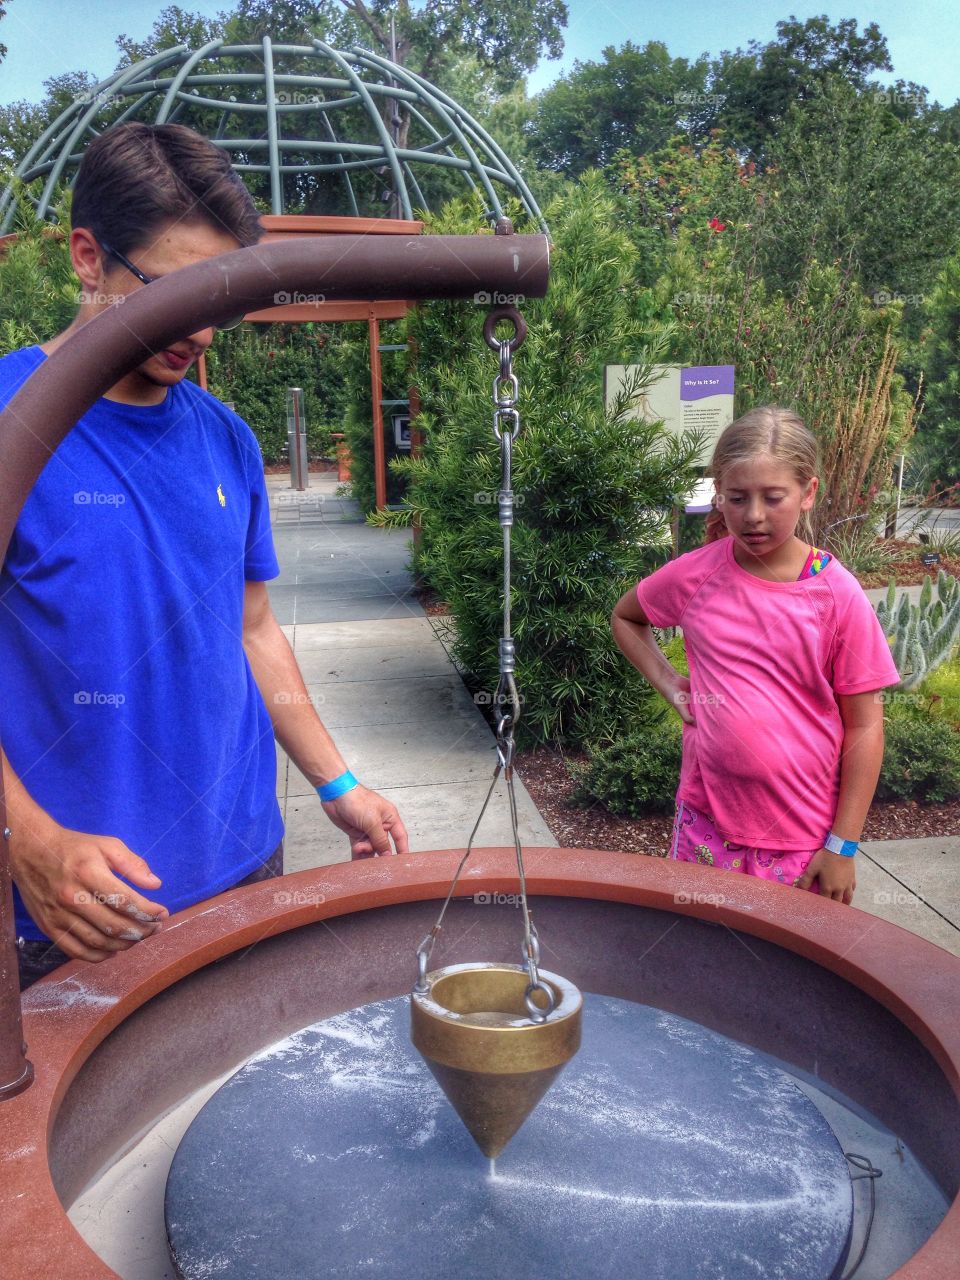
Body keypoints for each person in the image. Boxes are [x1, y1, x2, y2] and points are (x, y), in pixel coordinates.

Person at [0, 123, 409, 989]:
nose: (204, 332)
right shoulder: (8, 424)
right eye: (172, 293)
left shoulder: (225, 438)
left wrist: (339, 786)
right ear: (87, 257)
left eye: (222, 301)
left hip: (247, 870)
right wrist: (25, 840)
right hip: (70, 910)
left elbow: (254, 630)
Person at [611, 406, 901, 904]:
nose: (754, 515)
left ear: (808, 493)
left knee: (789, 969)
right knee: (704, 953)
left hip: (804, 839)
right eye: (738, 498)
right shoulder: (695, 574)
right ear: (718, 495)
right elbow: (627, 618)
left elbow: (865, 726)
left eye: (773, 497)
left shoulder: (836, 594)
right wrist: (670, 684)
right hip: (706, 823)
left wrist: (843, 846)